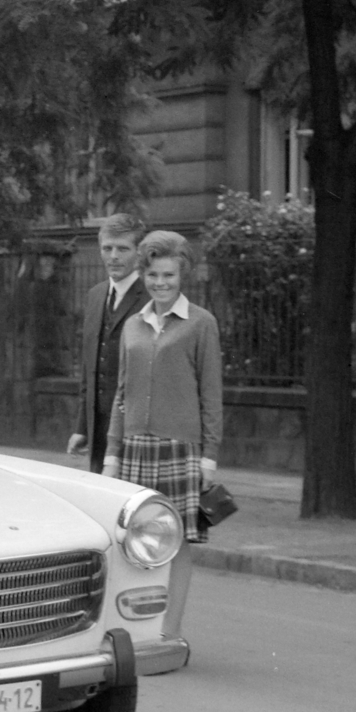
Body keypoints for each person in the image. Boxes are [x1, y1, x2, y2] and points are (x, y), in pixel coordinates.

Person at [103, 230, 222, 649]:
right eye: (153, 274)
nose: (160, 283)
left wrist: (210, 457)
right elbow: (122, 393)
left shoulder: (200, 324)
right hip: (135, 449)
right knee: (133, 545)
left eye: (168, 274)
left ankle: (169, 631)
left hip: (180, 450)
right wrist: (112, 454)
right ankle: (136, 629)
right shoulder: (133, 325)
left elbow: (211, 393)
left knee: (176, 543)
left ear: (181, 274)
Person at [67, 213, 148, 474]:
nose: (113, 256)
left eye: (123, 249)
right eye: (107, 248)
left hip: (137, 429)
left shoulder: (151, 298)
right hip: (99, 428)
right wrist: (82, 427)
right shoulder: (95, 295)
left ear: (139, 253)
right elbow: (88, 369)